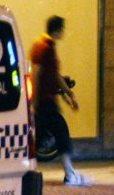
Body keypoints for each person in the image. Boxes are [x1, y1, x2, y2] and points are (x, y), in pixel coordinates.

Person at [30, 16, 92, 186]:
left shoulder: (46, 46)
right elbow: (36, 73)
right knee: (61, 133)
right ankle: (70, 175)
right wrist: (34, 101)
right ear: (57, 30)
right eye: (62, 29)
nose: (63, 32)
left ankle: (26, 172)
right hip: (45, 101)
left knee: (38, 138)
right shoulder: (44, 46)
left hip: (46, 101)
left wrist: (69, 94)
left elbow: (55, 75)